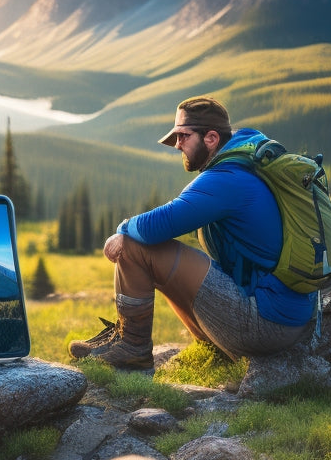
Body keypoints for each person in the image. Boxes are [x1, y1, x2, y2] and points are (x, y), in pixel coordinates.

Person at [68, 95, 317, 369]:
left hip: (265, 325)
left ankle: (132, 347)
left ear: (211, 138)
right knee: (153, 252)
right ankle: (131, 339)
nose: (177, 145)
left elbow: (159, 225)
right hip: (284, 318)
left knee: (133, 245)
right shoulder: (245, 165)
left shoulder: (227, 178)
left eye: (184, 136)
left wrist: (122, 229)